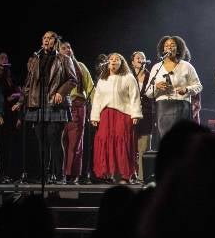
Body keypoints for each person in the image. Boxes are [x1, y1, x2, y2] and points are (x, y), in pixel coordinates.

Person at [20, 31, 78, 183]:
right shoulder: (34, 59)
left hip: (55, 104)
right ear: (42, 41)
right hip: (37, 105)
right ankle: (44, 175)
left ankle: (59, 175)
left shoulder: (64, 59)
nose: (47, 40)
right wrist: (21, 101)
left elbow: (73, 80)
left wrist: (61, 92)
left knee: (54, 139)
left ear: (55, 41)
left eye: (50, 38)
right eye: (44, 38)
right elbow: (28, 83)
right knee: (41, 142)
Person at [90, 53, 142, 183]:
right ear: (107, 63)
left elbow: (135, 96)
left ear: (122, 63)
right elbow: (97, 99)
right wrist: (94, 116)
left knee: (122, 142)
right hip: (105, 115)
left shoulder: (128, 77)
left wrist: (135, 114)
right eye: (111, 59)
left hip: (123, 114)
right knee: (105, 141)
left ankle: (124, 175)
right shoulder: (103, 79)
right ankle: (106, 173)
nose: (113, 61)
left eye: (116, 59)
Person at [146, 35, 202, 138]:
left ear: (178, 49)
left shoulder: (186, 66)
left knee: (182, 138)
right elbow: (148, 92)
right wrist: (157, 87)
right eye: (166, 45)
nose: (169, 47)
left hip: (182, 105)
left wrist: (186, 89)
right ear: (163, 49)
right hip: (163, 107)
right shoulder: (157, 67)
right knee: (166, 139)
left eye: (172, 45)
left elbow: (198, 86)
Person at [58, 41, 93, 183]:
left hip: (77, 105)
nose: (67, 50)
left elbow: (90, 87)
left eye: (69, 47)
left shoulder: (80, 66)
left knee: (75, 144)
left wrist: (96, 110)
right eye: (63, 48)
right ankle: (58, 173)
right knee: (59, 142)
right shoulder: (56, 66)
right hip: (59, 107)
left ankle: (72, 174)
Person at [0, 53, 21, 181]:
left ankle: (8, 173)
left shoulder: (10, 76)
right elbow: (0, 96)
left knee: (9, 145)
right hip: (1, 114)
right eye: (2, 57)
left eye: (6, 58)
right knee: (0, 144)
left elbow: (18, 91)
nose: (4, 60)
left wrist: (17, 95)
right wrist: (13, 96)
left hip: (11, 114)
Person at [130, 51, 154, 179]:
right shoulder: (128, 75)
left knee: (143, 147)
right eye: (138, 57)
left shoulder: (151, 76)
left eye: (143, 57)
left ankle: (142, 177)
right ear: (133, 62)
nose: (140, 59)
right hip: (130, 114)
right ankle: (130, 174)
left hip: (146, 114)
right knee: (130, 146)